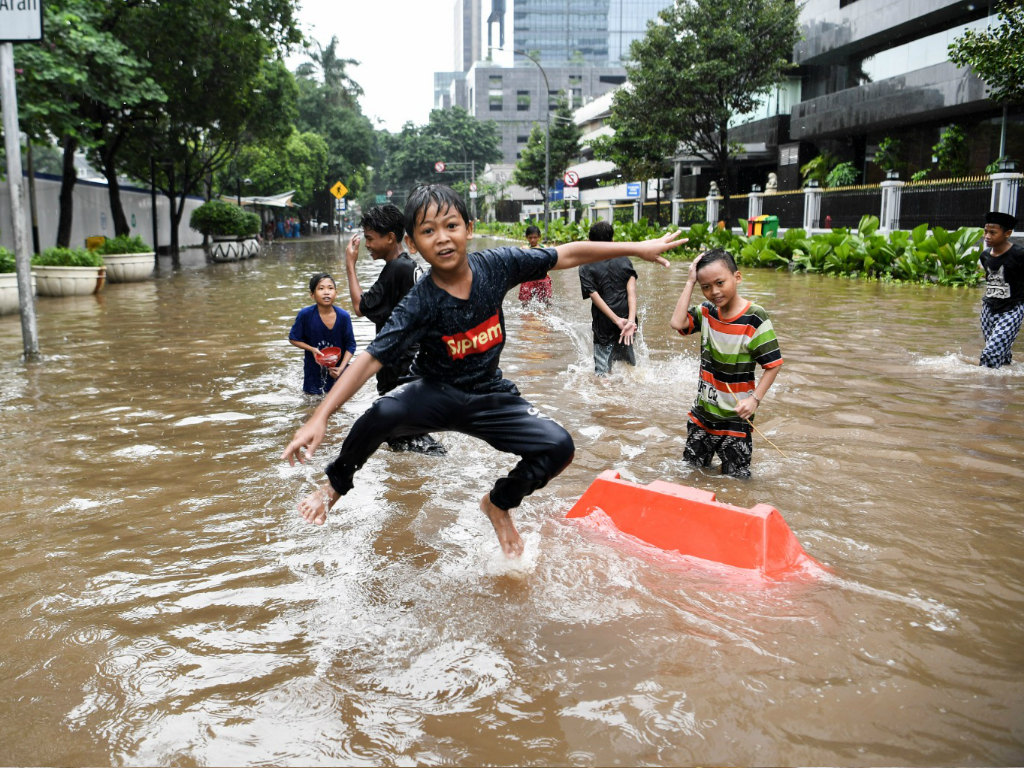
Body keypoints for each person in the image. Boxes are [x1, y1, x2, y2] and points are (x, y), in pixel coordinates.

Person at [282, 184, 686, 558]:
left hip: (490, 394)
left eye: (451, 225)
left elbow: (568, 255)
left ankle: (498, 503)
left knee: (559, 445)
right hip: (435, 393)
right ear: (412, 243)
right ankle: (335, 484)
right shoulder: (420, 301)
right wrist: (320, 416)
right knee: (382, 412)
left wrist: (640, 247)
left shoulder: (497, 265)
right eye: (427, 231)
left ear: (469, 229)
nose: (442, 237)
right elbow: (371, 359)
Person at [669, 249, 783, 479]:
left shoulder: (754, 318)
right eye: (706, 287)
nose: (715, 292)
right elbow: (677, 322)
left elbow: (773, 364)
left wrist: (755, 400)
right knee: (691, 476)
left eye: (720, 282)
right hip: (702, 416)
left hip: (736, 421)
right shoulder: (707, 312)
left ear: (737, 277)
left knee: (736, 483)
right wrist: (691, 280)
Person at [345, 203, 444, 454]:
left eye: (370, 238)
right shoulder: (409, 266)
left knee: (404, 438)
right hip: (413, 364)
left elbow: (359, 307)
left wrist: (349, 265)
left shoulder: (396, 269)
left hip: (398, 367)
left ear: (390, 238)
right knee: (408, 438)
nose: (366, 244)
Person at [579, 221, 639, 375]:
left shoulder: (585, 265)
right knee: (628, 367)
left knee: (602, 373)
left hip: (605, 322)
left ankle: (606, 399)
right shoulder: (625, 259)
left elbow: (595, 297)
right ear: (612, 241)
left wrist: (616, 320)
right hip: (628, 320)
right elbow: (632, 292)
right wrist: (630, 321)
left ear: (589, 243)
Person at [288, 273, 357, 396]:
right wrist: (312, 349)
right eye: (321, 288)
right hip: (313, 371)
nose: (326, 292)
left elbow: (351, 345)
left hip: (338, 369)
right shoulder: (305, 315)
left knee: (341, 403)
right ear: (312, 295)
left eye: (330, 288)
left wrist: (341, 369)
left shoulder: (344, 316)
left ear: (336, 293)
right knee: (312, 402)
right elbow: (293, 338)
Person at [977, 211, 1024, 368]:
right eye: (985, 232)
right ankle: (1002, 382)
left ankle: (983, 385)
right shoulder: (985, 256)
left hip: (1012, 309)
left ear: (1007, 233)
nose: (987, 236)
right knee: (1000, 352)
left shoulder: (1018, 254)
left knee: (990, 353)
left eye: (993, 232)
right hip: (988, 309)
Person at [517, 225, 553, 304]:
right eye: (530, 238)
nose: (533, 240)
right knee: (525, 302)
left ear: (539, 237)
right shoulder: (524, 249)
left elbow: (550, 261)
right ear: (526, 237)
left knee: (547, 301)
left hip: (543, 277)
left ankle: (545, 315)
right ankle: (525, 316)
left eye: (535, 237)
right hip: (528, 278)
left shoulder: (545, 248)